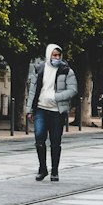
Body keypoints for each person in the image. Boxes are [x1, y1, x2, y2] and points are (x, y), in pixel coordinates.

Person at [25, 43, 78, 182]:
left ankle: (55, 171)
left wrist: (57, 96)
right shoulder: (39, 68)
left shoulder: (66, 70)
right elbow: (32, 90)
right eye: (54, 55)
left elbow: (73, 90)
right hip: (40, 109)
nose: (57, 58)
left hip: (57, 111)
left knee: (55, 142)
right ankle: (43, 168)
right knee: (39, 139)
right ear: (49, 55)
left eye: (59, 55)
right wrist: (29, 109)